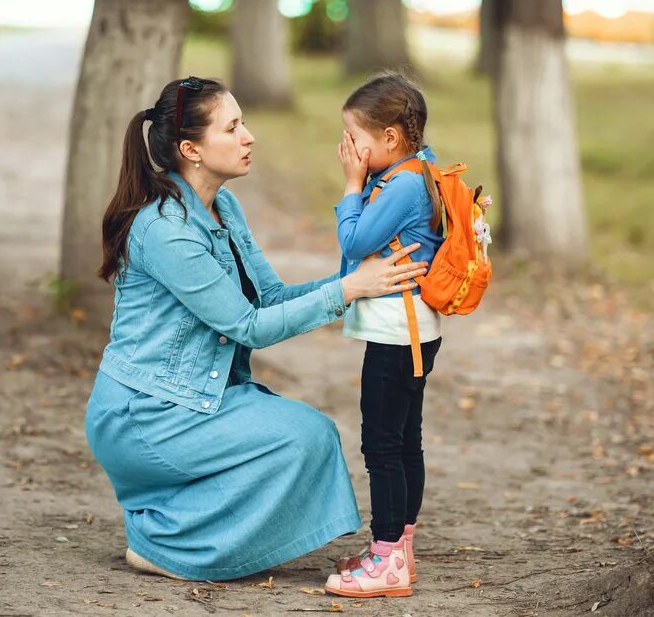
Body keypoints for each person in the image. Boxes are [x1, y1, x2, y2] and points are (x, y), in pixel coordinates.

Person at [84, 76, 430, 582]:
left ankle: (173, 521)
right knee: (299, 439)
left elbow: (269, 297)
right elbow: (248, 325)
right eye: (233, 127)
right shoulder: (166, 230)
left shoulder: (223, 206)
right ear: (190, 150)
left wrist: (358, 278)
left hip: (201, 397)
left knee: (309, 437)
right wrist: (351, 290)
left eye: (243, 123)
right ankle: (163, 543)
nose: (249, 136)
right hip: (147, 414)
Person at [325, 72, 466, 598]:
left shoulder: (402, 182)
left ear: (390, 138)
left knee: (382, 446)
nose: (348, 150)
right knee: (406, 443)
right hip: (415, 331)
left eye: (354, 139)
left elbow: (355, 240)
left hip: (394, 334)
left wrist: (351, 186)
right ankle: (397, 551)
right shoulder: (419, 169)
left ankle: (385, 561)